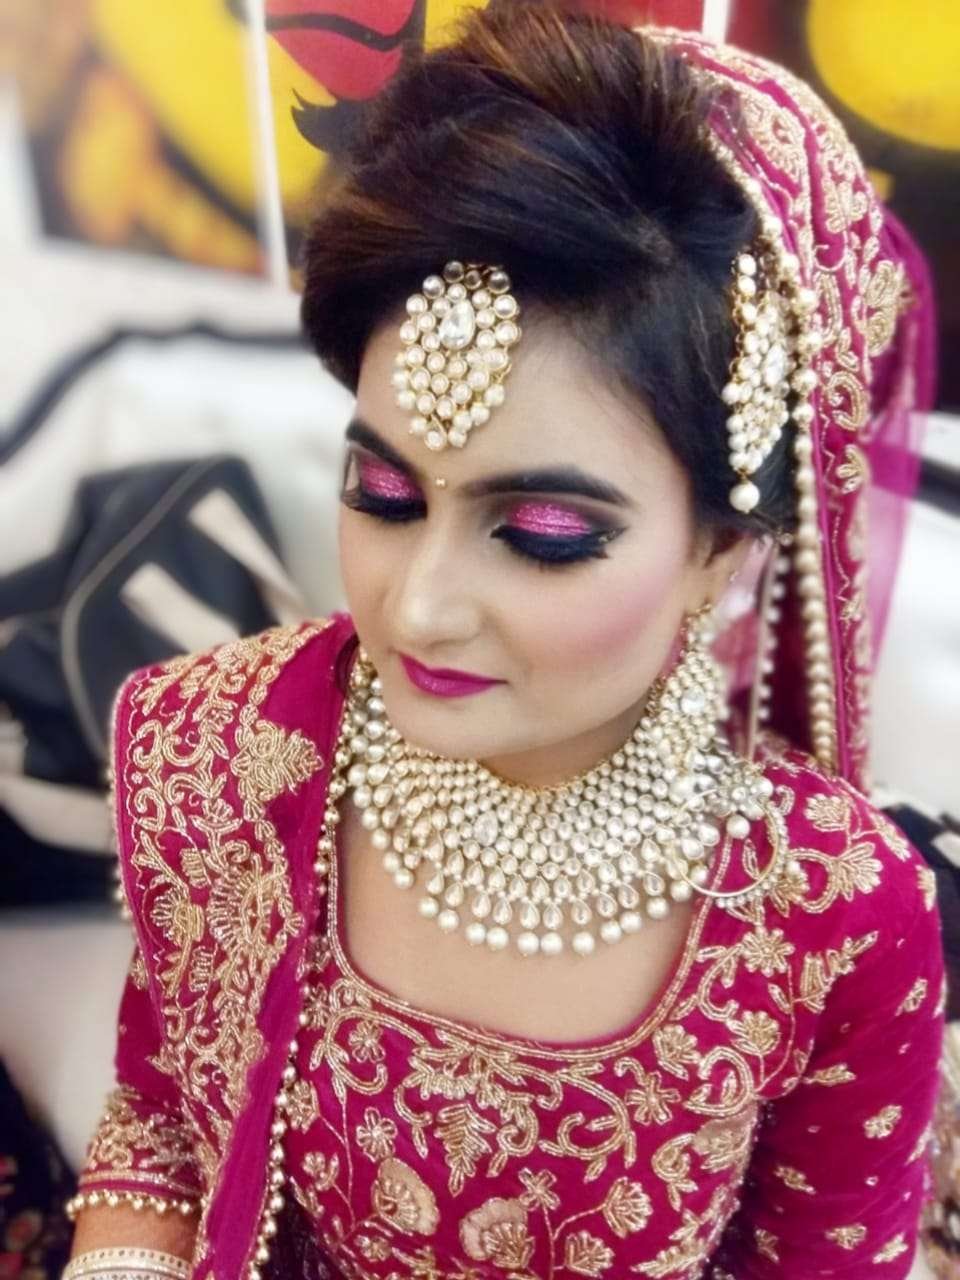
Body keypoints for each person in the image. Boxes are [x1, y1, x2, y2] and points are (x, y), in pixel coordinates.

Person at [64, 6, 943, 1278]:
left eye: (539, 532)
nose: (418, 607)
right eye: (383, 494)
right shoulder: (213, 747)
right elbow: (163, 1112)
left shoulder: (832, 912)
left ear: (721, 551)